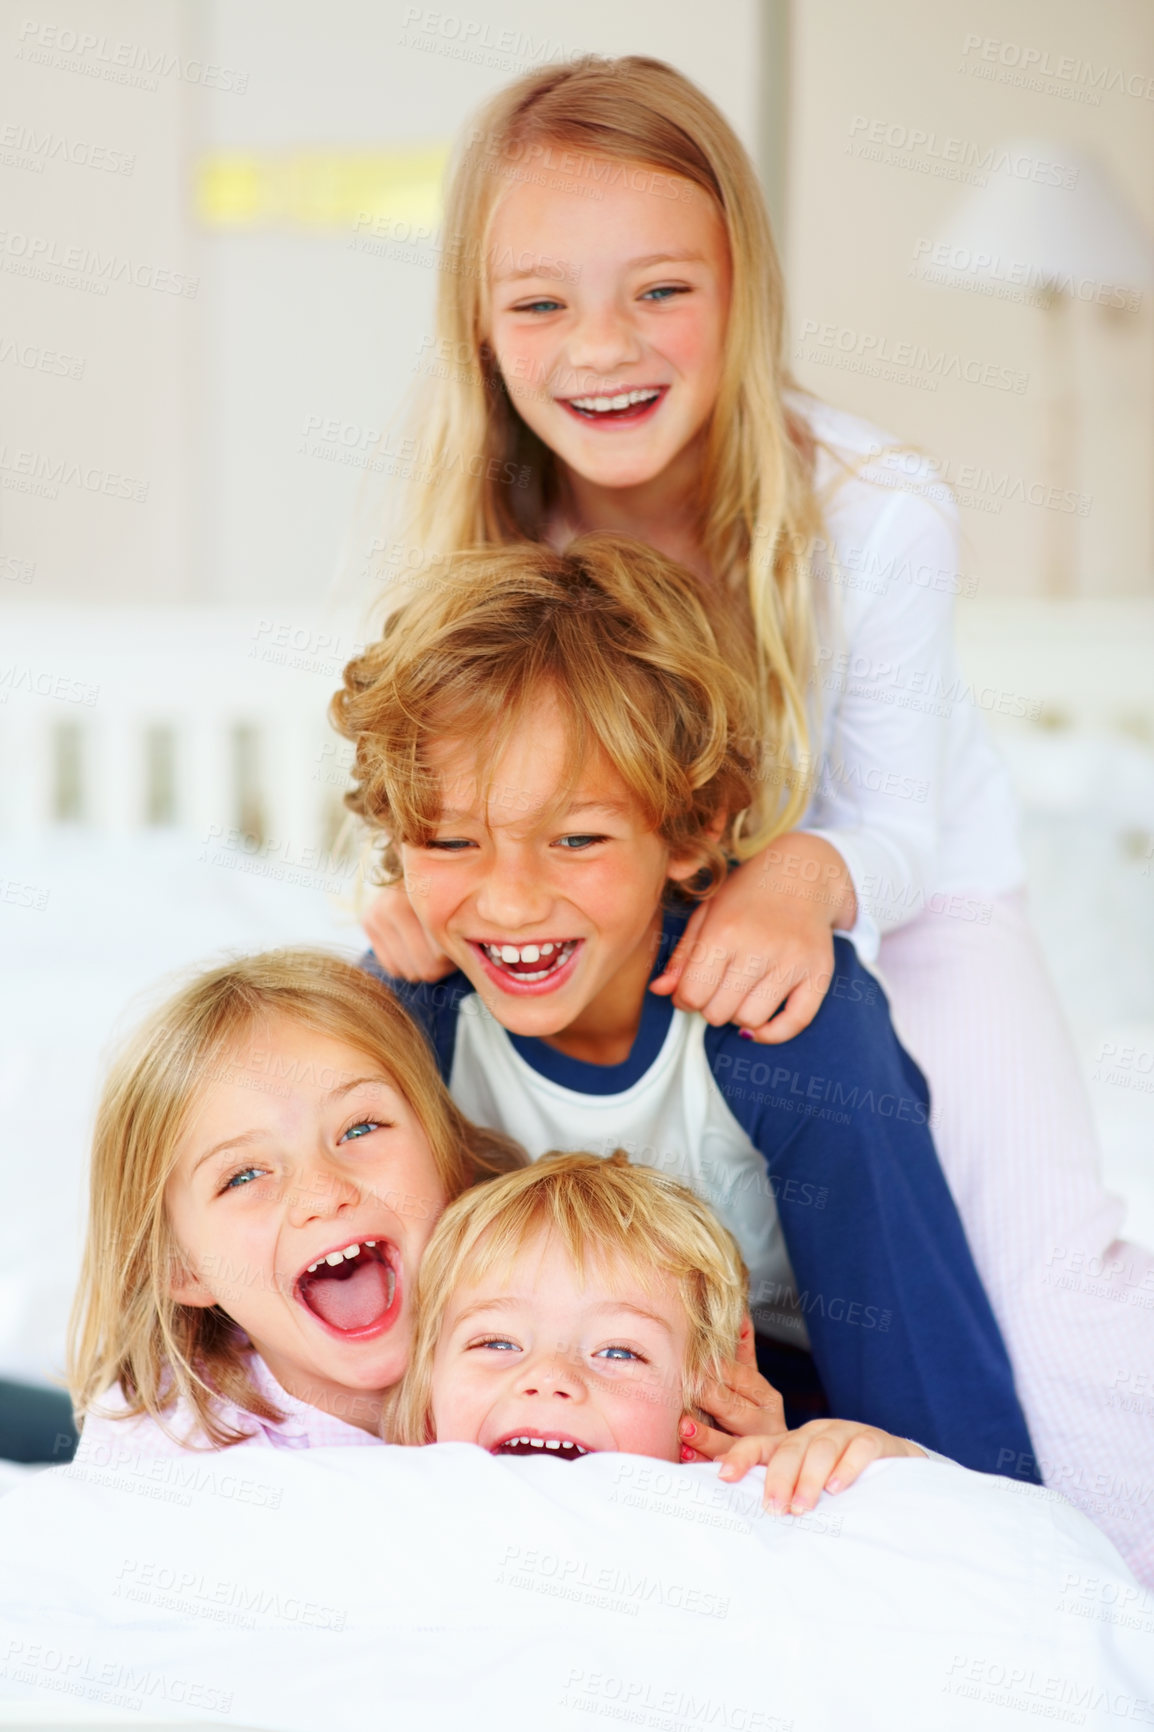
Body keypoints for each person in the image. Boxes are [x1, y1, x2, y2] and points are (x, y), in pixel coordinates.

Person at [356, 55, 1153, 1580]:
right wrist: (409, 895)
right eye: (540, 304)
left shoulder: (869, 501)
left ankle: (1031, 1575)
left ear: (740, 290)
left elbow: (897, 826)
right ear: (477, 317)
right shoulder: (487, 530)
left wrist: (803, 874)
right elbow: (454, 791)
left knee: (1054, 1316)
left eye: (658, 290)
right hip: (620, 919)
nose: (601, 347)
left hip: (903, 904)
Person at [333, 533, 1036, 1477]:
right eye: (451, 843)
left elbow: (937, 1411)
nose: (506, 903)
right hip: (502, 1424)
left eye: (576, 839)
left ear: (692, 830)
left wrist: (831, 1457)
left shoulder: (786, 1028)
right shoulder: (406, 1026)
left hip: (767, 1429)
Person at [68, 949, 521, 1457]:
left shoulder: (553, 1379)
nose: (323, 1195)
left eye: (360, 1128)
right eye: (243, 1176)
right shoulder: (161, 1455)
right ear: (181, 1266)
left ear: (449, 1158)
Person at [390, 1150, 933, 1516]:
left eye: (619, 1351)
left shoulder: (739, 1515)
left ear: (700, 1411)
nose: (549, 1378)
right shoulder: (384, 1504)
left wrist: (877, 1466)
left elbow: (937, 1538)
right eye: (496, 1343)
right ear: (427, 1398)